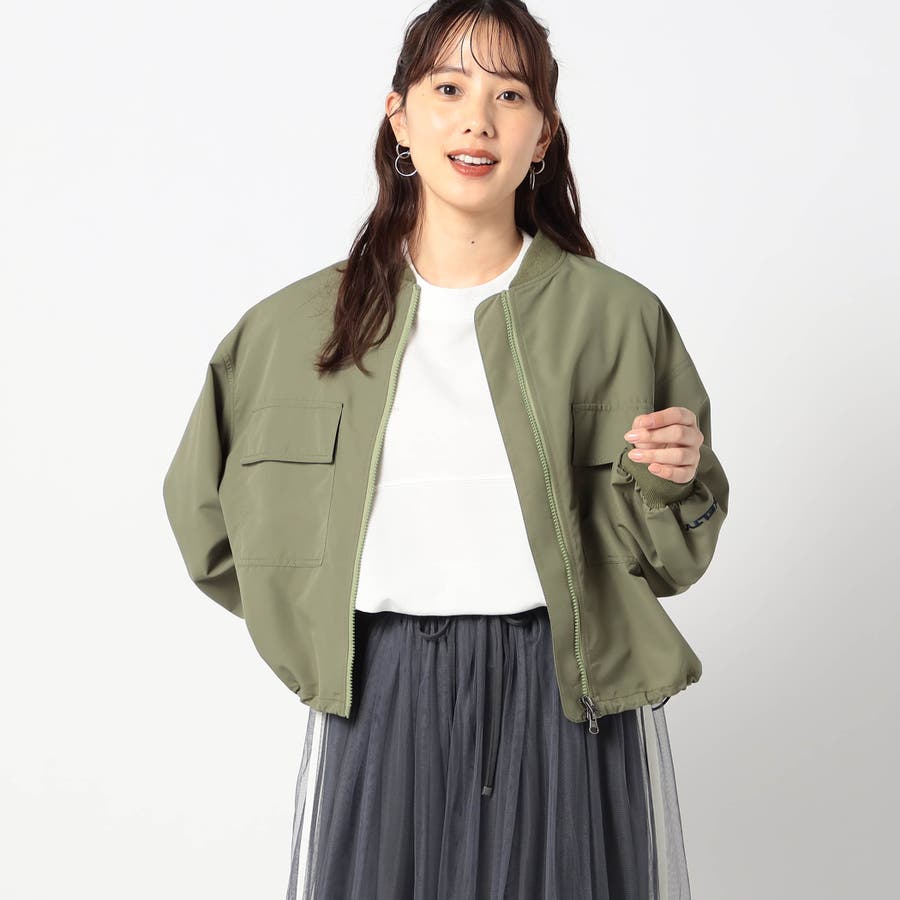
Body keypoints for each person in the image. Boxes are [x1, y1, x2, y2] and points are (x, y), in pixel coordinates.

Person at [163, 2, 730, 898]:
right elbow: (209, 524)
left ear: (543, 134)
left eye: (510, 95)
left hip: (562, 691)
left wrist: (674, 481)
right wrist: (316, 629)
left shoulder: (618, 319)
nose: (478, 121)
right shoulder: (289, 330)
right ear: (399, 117)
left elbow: (673, 559)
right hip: (384, 690)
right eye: (449, 88)